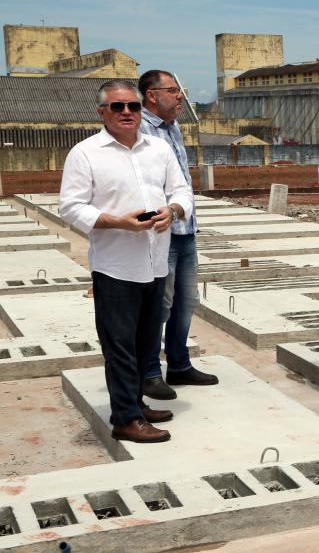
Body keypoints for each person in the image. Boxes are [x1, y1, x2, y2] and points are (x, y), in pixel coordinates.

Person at [59, 79, 193, 443]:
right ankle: (125, 419)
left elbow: (181, 190)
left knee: (146, 343)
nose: (127, 113)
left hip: (154, 262)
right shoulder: (86, 153)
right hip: (116, 266)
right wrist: (118, 222)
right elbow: (70, 206)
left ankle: (135, 405)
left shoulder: (158, 149)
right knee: (119, 346)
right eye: (117, 107)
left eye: (133, 106)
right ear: (102, 112)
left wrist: (174, 210)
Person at [138, 69, 218, 401]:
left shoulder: (174, 128)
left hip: (185, 228)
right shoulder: (138, 129)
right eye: (173, 90)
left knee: (187, 301)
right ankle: (149, 371)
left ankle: (179, 364)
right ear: (152, 95)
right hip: (161, 232)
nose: (180, 96)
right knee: (160, 305)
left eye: (180, 90)